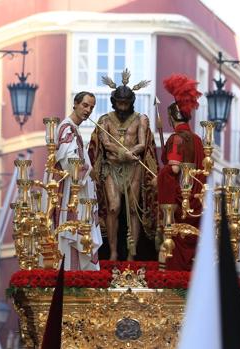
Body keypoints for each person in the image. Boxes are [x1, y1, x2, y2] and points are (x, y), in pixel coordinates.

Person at [88, 69, 159, 261]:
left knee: (133, 210)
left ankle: (131, 253)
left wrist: (131, 153)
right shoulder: (104, 120)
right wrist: (122, 153)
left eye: (126, 103)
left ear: (131, 102)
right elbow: (105, 143)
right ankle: (112, 252)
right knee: (113, 207)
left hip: (133, 168)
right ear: (114, 101)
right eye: (119, 103)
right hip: (112, 168)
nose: (122, 106)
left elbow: (143, 143)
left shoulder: (141, 119)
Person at [158, 74, 205, 271]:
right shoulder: (197, 140)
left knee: (171, 249)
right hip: (196, 202)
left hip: (178, 205)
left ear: (172, 117)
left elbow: (174, 168)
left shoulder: (176, 139)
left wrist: (158, 178)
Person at [52, 91, 103, 270]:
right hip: (70, 192)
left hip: (78, 190)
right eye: (85, 105)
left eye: (91, 107)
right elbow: (68, 161)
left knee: (79, 233)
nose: (88, 110)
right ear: (75, 104)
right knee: (72, 232)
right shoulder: (67, 128)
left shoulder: (74, 129)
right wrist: (89, 170)